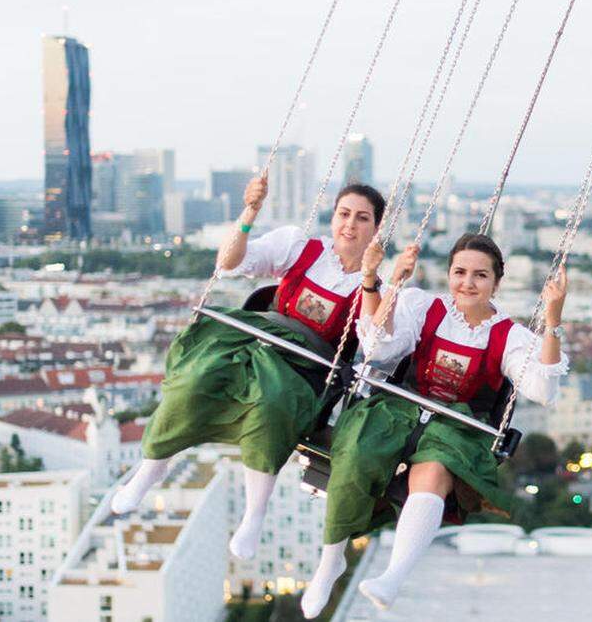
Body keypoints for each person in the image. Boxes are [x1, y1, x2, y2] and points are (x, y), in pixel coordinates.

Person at [110, 177, 387, 563]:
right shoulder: (300, 246)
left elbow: (374, 344)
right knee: (199, 377)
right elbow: (230, 262)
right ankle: (151, 467)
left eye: (362, 219)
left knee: (272, 404)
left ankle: (254, 513)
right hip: (259, 338)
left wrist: (371, 281)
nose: (350, 225)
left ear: (376, 230)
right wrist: (249, 214)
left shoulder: (374, 288)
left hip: (305, 364)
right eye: (344, 214)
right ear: (333, 217)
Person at [299, 234, 569, 617]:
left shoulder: (507, 336)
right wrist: (389, 283)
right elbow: (378, 345)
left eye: (480, 275)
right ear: (448, 274)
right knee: (357, 451)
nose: (468, 283)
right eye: (460, 272)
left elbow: (542, 387)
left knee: (435, 470)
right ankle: (330, 561)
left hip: (455, 425)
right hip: (402, 409)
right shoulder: (425, 307)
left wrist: (553, 321)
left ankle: (393, 575)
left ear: (496, 282)